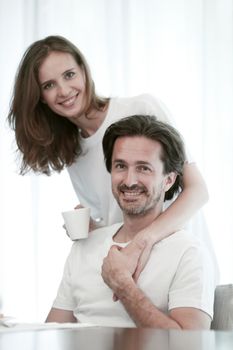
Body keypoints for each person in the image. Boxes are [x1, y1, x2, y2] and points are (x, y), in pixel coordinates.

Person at [7, 35, 214, 279]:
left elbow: (198, 190)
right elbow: (120, 221)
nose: (63, 90)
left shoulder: (142, 108)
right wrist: (95, 231)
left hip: (181, 267)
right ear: (39, 96)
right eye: (49, 85)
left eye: (69, 75)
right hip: (131, 274)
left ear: (84, 71)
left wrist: (143, 242)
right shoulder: (73, 153)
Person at [46, 116, 216, 328]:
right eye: (120, 166)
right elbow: (51, 332)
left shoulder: (189, 253)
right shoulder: (85, 246)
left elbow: (190, 345)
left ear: (169, 180)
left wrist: (124, 286)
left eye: (143, 168)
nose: (129, 181)